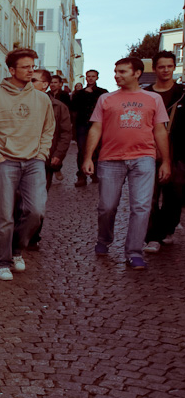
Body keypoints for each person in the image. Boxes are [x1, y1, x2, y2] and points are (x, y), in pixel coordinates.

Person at [83, 57, 171, 270]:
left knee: (141, 207)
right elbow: (96, 128)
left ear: (137, 73)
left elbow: (160, 130)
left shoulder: (153, 99)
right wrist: (88, 157)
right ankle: (104, 239)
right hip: (110, 159)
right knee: (107, 206)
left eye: (122, 71)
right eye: (116, 71)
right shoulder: (106, 99)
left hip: (144, 158)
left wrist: (165, 161)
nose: (117, 75)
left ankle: (134, 251)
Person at [0, 48, 54, 281]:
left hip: (33, 162)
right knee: (4, 216)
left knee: (36, 211)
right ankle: (2, 261)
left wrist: (42, 153)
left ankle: (17, 249)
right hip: (4, 163)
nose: (31, 70)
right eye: (26, 66)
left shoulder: (42, 99)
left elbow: (48, 128)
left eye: (33, 66)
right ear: (11, 70)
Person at [14, 69, 73, 251]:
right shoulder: (17, 102)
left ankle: (32, 236)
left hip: (43, 160)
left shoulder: (58, 107)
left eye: (34, 80)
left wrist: (58, 155)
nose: (28, 83)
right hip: (17, 157)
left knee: (37, 199)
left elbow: (65, 133)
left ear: (45, 85)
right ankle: (14, 234)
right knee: (15, 198)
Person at [142, 50, 185, 253]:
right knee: (149, 196)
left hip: (178, 151)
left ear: (174, 67)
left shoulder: (183, 93)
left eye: (169, 66)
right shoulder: (146, 94)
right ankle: (153, 236)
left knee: (175, 194)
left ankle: (167, 228)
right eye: (161, 66)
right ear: (155, 68)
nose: (166, 70)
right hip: (148, 150)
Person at [71, 70, 108, 187]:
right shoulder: (79, 93)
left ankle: (95, 173)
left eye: (93, 76)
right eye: (89, 76)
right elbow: (73, 108)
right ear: (86, 78)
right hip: (81, 124)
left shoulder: (103, 93)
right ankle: (81, 176)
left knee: (97, 149)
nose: (91, 78)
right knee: (82, 150)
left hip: (97, 124)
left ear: (97, 78)